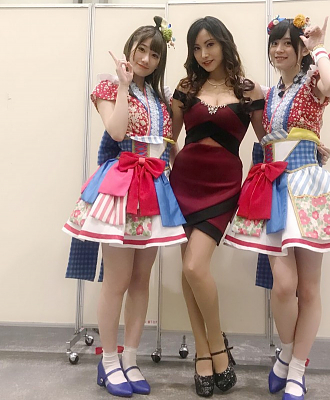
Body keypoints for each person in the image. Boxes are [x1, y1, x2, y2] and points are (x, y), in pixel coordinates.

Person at [224, 15, 330, 400]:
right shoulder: (269, 94)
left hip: (308, 186)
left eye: (287, 42)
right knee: (284, 286)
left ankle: (297, 369)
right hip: (274, 187)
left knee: (309, 287)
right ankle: (286, 353)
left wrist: (319, 46)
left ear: (300, 49)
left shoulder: (313, 82)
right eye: (274, 43)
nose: (279, 49)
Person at [62, 17, 186, 398]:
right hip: (122, 183)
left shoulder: (161, 98)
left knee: (140, 280)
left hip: (154, 185)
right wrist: (121, 83)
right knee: (116, 280)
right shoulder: (108, 85)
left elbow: (167, 146)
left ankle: (131, 358)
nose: (146, 58)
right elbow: (117, 132)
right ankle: (109, 360)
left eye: (154, 54)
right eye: (141, 50)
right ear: (130, 48)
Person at [168, 16, 266, 397]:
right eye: (196, 47)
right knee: (189, 271)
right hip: (183, 184)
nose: (204, 54)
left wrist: (309, 143)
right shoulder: (186, 88)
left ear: (224, 43)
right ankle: (204, 352)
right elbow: (168, 139)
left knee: (195, 266)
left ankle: (217, 346)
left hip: (223, 187)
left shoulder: (248, 91)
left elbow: (269, 140)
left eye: (210, 44)